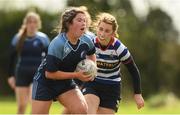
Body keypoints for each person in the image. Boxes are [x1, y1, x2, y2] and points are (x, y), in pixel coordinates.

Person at [31, 7, 96, 114]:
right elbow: (49, 74)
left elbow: (91, 54)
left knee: (82, 110)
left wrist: (93, 67)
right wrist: (76, 75)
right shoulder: (58, 44)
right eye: (79, 20)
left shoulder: (86, 40)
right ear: (68, 24)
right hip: (44, 83)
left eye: (84, 20)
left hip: (65, 82)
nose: (83, 23)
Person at [81, 12, 145, 114]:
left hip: (111, 88)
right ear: (97, 28)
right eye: (101, 29)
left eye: (107, 31)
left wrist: (137, 94)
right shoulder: (89, 44)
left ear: (113, 33)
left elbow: (133, 70)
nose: (102, 33)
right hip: (92, 84)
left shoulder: (119, 48)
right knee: (89, 112)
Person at [7, 11, 50, 114]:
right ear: (25, 23)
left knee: (33, 103)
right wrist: (10, 76)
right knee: (21, 106)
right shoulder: (18, 38)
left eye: (34, 22)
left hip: (37, 75)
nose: (32, 24)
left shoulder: (43, 38)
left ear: (38, 24)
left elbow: (49, 58)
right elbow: (11, 58)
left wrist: (48, 73)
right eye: (30, 22)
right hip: (21, 73)